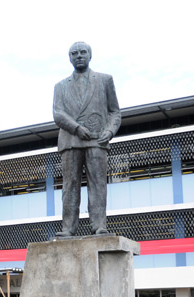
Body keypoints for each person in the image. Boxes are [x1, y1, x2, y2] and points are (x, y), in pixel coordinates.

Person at [53, 41, 121, 237]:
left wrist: (109, 131)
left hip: (97, 140)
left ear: (90, 55)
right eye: (74, 53)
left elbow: (115, 112)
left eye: (83, 52)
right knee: (69, 186)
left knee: (98, 184)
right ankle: (68, 228)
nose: (79, 55)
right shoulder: (60, 86)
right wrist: (76, 128)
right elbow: (58, 113)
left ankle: (99, 225)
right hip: (71, 140)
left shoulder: (104, 80)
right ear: (70, 58)